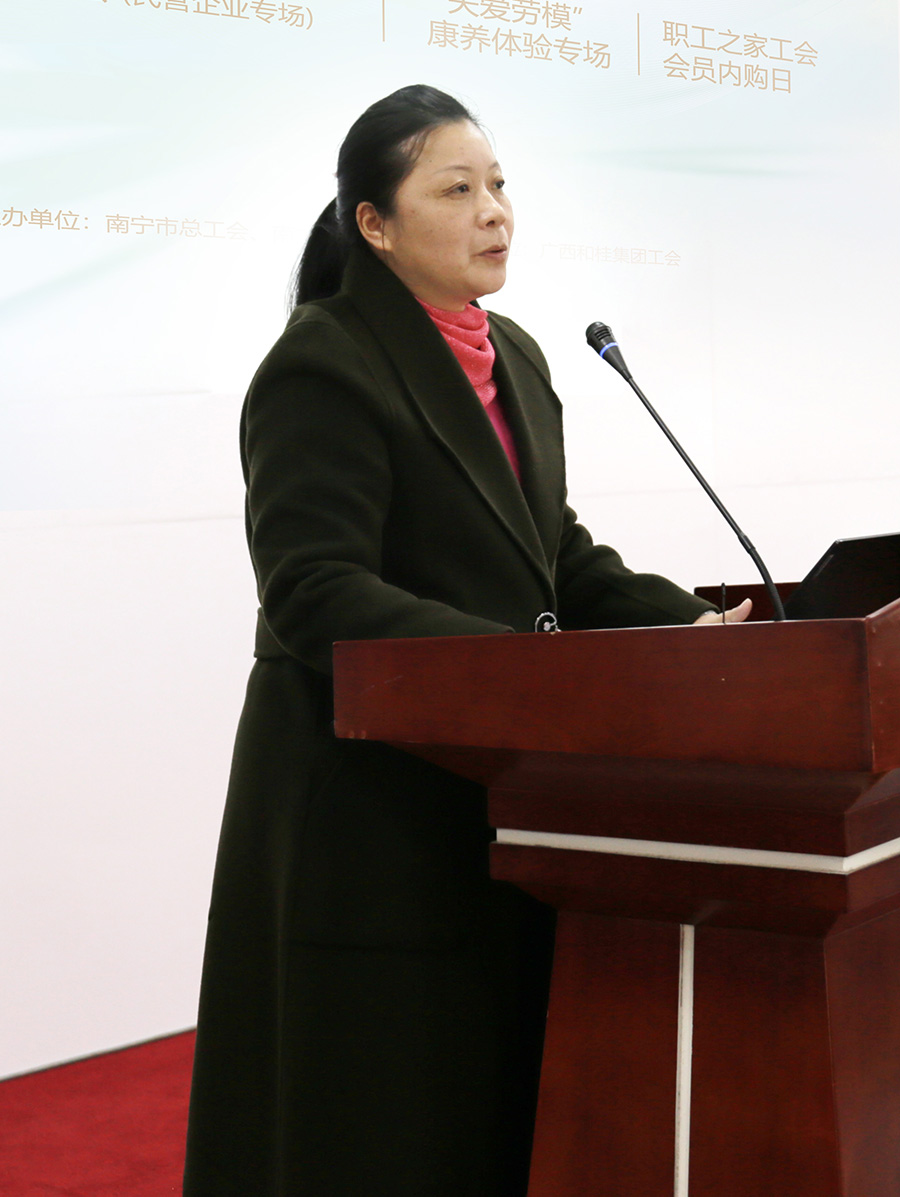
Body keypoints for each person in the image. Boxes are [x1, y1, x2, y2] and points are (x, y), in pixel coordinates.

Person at [181, 85, 751, 1197]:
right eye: (455, 189)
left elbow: (556, 557)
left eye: (497, 185)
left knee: (480, 1097)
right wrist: (519, 670)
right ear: (374, 224)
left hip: (501, 780)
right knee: (377, 1110)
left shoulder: (518, 357)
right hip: (369, 798)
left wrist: (690, 622)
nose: (493, 211)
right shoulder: (322, 361)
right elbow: (313, 590)